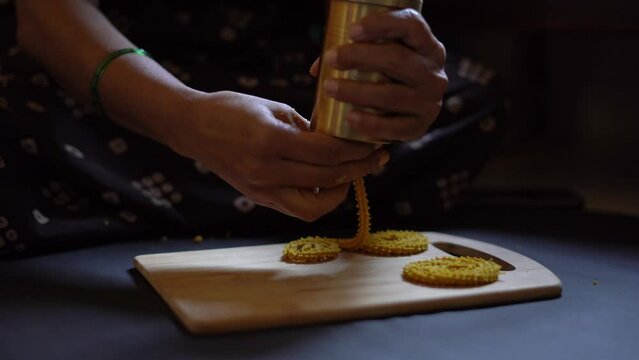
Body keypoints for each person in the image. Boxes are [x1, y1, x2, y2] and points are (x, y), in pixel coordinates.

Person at [0, 0, 503, 258]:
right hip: (104, 68)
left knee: (470, 100)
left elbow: (378, 19)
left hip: (273, 70)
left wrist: (397, 81)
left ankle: (135, 208)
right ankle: (268, 204)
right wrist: (183, 118)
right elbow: (46, 17)